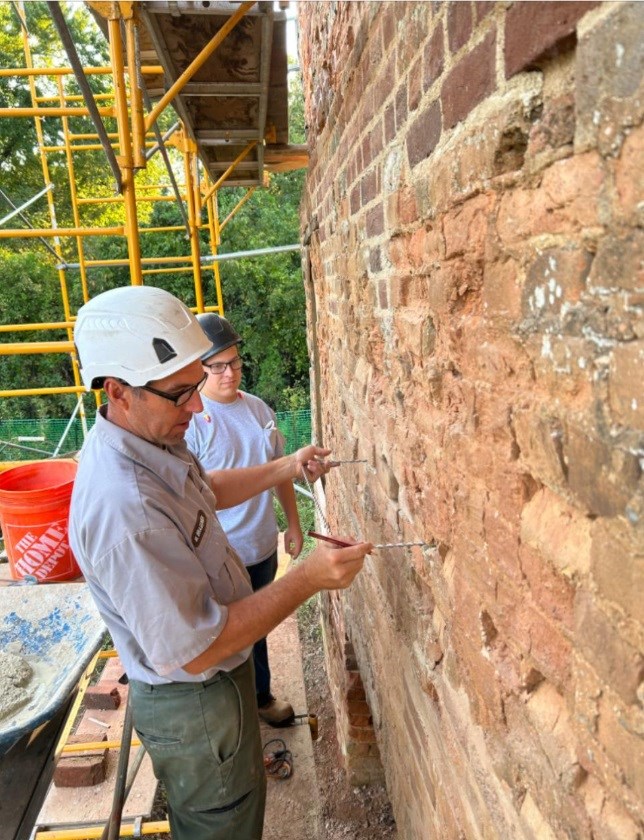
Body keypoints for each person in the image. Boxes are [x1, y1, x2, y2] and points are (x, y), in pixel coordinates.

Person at [69, 285, 372, 840]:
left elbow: (207, 488)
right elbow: (200, 647)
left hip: (212, 694)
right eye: (183, 392)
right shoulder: (125, 509)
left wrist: (285, 467)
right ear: (117, 390)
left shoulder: (149, 439)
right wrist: (307, 579)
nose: (200, 406)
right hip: (195, 703)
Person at [185, 313, 300, 727]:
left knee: (258, 628)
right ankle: (231, 715)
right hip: (220, 555)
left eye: (234, 362)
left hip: (262, 544)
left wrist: (294, 523)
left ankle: (260, 698)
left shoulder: (256, 410)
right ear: (199, 368)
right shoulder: (192, 422)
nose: (229, 372)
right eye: (217, 366)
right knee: (225, 636)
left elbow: (281, 469)